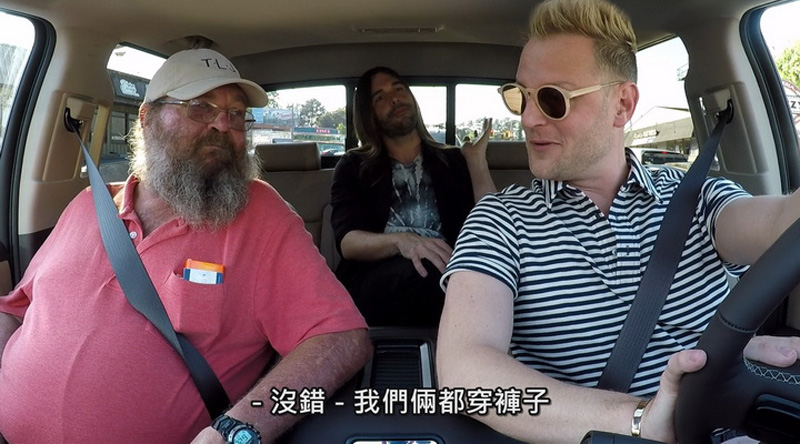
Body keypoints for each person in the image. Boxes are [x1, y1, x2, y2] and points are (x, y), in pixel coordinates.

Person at [436, 1, 800, 443]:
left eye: (552, 99)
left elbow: (780, 223)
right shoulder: (500, 220)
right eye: (521, 96)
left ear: (622, 105)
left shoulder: (697, 198)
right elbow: (465, 375)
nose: (528, 118)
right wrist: (639, 419)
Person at [0, 48, 371, 443]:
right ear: (146, 119)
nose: (223, 124)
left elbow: (339, 338)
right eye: (200, 107)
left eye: (236, 113)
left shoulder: (261, 216)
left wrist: (237, 429)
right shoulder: (88, 204)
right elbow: (15, 310)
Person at [330, 66, 495, 327]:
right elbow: (349, 243)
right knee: (425, 275)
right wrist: (402, 241)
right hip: (376, 279)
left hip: (448, 274)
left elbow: (493, 225)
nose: (395, 98)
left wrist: (476, 162)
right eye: (380, 97)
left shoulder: (453, 160)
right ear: (369, 113)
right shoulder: (354, 166)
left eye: (398, 89)